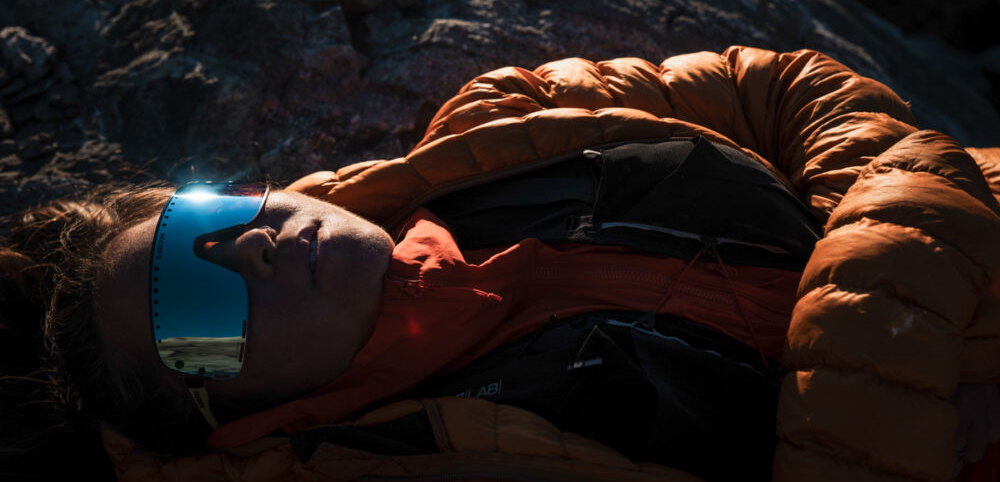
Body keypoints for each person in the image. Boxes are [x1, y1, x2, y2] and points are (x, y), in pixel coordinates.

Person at [3, 46, 1000, 481]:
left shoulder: (501, 121)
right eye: (198, 300)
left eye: (199, 224)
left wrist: (896, 343)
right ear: (230, 418)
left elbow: (787, 90)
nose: (246, 248)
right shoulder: (448, 459)